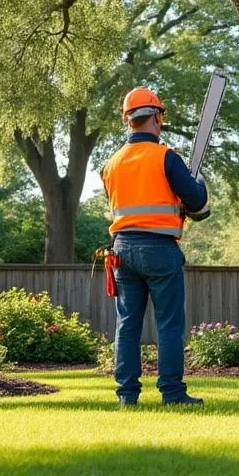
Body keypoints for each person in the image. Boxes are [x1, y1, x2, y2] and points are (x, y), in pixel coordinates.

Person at [101, 87, 210, 406]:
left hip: (122, 250)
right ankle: (173, 393)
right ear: (157, 118)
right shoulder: (166, 157)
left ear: (128, 120)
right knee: (169, 324)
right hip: (159, 250)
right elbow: (197, 200)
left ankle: (127, 396)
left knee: (127, 325)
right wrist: (196, 181)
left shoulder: (112, 163)